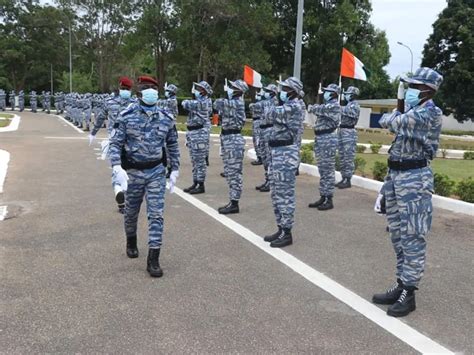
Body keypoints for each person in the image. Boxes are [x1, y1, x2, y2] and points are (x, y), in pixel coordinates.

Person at [372, 67, 443, 317]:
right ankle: (401, 284)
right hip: (396, 177)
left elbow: (392, 122)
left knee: (413, 237)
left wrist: (399, 108)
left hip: (415, 180)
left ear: (427, 90)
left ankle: (409, 293)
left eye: (414, 86)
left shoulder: (430, 114)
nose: (410, 89)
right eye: (409, 86)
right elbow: (386, 121)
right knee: (398, 236)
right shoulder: (413, 110)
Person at [108, 75, 180, 278]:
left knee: (156, 215)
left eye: (154, 89)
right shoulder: (126, 115)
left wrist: (175, 169)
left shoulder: (166, 117)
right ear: (139, 93)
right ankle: (131, 240)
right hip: (133, 173)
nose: (151, 92)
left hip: (156, 172)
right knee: (131, 213)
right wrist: (116, 166)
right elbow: (115, 143)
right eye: (147, 88)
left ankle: (153, 259)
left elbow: (173, 144)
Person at [263, 77, 304, 248]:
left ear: (293, 91)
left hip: (286, 153)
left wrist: (271, 104)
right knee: (276, 193)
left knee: (285, 195)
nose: (281, 92)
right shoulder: (286, 105)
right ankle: (281, 228)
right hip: (277, 153)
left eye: (285, 89)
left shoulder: (295, 106)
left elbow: (268, 114)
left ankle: (287, 232)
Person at [89, 77, 135, 213]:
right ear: (130, 90)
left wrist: (93, 133)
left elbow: (100, 118)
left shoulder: (109, 102)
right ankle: (125, 194)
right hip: (132, 142)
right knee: (130, 170)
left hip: (115, 141)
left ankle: (118, 191)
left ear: (119, 88)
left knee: (116, 168)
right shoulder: (135, 103)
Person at [214, 79, 248, 214]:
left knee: (234, 173)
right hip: (228, 138)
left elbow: (216, 103)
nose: (230, 89)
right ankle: (232, 201)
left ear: (239, 91)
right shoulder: (232, 102)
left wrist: (225, 96)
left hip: (233, 140)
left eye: (233, 87)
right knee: (229, 172)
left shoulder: (236, 103)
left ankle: (234, 203)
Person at [307, 83, 341, 211]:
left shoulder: (334, 106)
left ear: (333, 94)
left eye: (328, 91)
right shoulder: (327, 105)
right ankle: (323, 195)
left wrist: (314, 107)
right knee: (322, 169)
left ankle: (329, 198)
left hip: (327, 139)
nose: (325, 93)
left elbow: (317, 109)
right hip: (321, 138)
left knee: (327, 170)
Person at [181, 81, 212, 195]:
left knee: (200, 161)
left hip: (200, 133)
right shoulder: (199, 101)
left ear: (204, 91)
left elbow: (185, 104)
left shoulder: (204, 102)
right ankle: (195, 182)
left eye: (199, 88)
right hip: (193, 133)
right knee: (194, 160)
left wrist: (188, 101)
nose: (196, 90)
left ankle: (201, 184)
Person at [255, 84, 278, 192]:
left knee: (269, 158)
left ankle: (271, 181)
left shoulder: (276, 103)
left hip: (270, 130)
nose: (266, 92)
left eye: (268, 91)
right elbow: (254, 107)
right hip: (263, 130)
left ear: (273, 93)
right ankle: (267, 179)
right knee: (264, 157)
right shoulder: (265, 103)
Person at [336, 86, 360, 189]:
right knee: (342, 156)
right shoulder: (347, 105)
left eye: (348, 94)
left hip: (349, 132)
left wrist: (341, 109)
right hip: (342, 130)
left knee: (348, 157)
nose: (346, 95)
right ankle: (343, 177)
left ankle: (348, 179)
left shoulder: (355, 106)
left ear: (353, 95)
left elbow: (353, 114)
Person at [159, 83, 179, 178]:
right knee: (165, 150)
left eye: (168, 91)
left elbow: (160, 103)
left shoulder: (172, 101)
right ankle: (168, 167)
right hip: (165, 127)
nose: (166, 93)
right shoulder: (169, 100)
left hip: (170, 128)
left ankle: (171, 168)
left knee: (169, 150)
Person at [250, 90, 264, 166]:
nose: (256, 96)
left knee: (257, 140)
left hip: (258, 121)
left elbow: (252, 107)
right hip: (256, 121)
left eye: (258, 95)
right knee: (256, 140)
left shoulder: (260, 104)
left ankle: (260, 157)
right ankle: (259, 156)